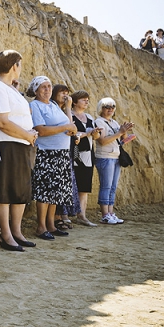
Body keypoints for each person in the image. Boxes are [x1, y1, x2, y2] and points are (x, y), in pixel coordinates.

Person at [0, 50, 38, 252]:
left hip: (21, 143)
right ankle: (6, 235)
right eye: (20, 65)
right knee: (5, 190)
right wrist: (26, 134)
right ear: (14, 66)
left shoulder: (10, 88)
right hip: (6, 144)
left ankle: (17, 232)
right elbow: (2, 122)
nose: (20, 69)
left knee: (20, 190)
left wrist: (28, 135)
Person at [28, 76, 78, 240]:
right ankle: (41, 227)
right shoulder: (35, 105)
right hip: (47, 153)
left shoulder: (55, 105)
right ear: (36, 90)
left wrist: (69, 110)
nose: (47, 89)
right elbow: (41, 130)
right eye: (43, 87)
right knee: (45, 191)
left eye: (49, 86)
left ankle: (51, 224)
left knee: (56, 192)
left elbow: (71, 127)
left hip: (62, 153)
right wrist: (65, 127)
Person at [94, 97, 134, 224]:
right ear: (101, 108)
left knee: (113, 187)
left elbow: (121, 141)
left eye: (112, 107)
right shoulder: (99, 122)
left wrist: (125, 133)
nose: (110, 109)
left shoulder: (114, 122)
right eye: (107, 107)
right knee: (106, 186)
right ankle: (105, 214)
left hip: (115, 157)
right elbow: (102, 141)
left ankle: (111, 213)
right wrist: (120, 132)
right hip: (105, 157)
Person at [70, 90, 102, 227]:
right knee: (70, 184)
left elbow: (96, 137)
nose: (86, 101)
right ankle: (65, 215)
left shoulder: (89, 117)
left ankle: (82, 215)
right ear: (75, 102)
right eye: (83, 99)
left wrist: (95, 133)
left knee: (84, 187)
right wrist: (87, 133)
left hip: (88, 155)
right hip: (74, 154)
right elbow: (70, 133)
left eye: (87, 99)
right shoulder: (69, 116)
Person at [51, 84, 80, 230]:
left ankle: (63, 216)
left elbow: (71, 131)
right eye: (62, 92)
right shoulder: (53, 108)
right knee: (56, 186)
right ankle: (57, 218)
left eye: (67, 93)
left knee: (65, 185)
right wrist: (69, 108)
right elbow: (69, 127)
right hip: (54, 151)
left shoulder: (61, 110)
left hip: (65, 151)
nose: (65, 95)